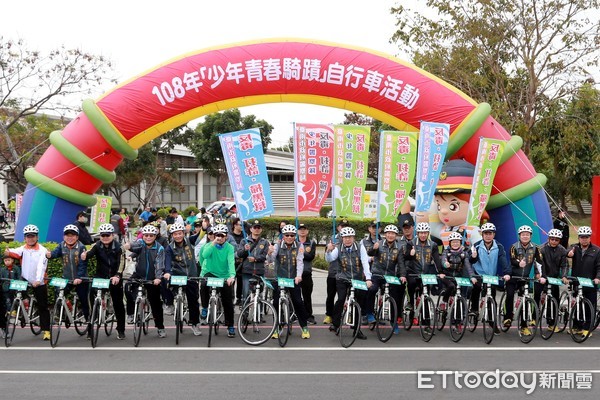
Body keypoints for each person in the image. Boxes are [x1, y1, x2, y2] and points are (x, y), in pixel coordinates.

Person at [4, 224, 51, 340]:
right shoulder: (23, 249)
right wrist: (7, 251)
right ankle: (19, 308)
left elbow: (41, 267)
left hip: (39, 281)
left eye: (33, 236)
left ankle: (46, 330)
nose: (30, 238)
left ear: (37, 237)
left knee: (43, 306)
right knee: (12, 290)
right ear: (25, 238)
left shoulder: (42, 250)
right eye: (28, 236)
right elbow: (14, 252)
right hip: (25, 279)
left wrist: (38, 280)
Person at [325, 226, 372, 340]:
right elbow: (330, 259)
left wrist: (368, 278)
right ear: (342, 238)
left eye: (350, 237)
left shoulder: (360, 247)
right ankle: (336, 324)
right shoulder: (339, 248)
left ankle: (357, 329)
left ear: (353, 237)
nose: (347, 239)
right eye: (345, 237)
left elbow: (365, 263)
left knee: (358, 304)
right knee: (341, 300)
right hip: (342, 278)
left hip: (357, 279)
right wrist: (328, 250)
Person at [81, 223, 127, 340]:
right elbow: (90, 253)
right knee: (91, 295)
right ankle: (91, 328)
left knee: (118, 303)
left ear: (112, 235)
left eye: (107, 235)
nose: (105, 237)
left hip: (114, 277)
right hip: (100, 276)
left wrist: (117, 275)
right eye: (103, 235)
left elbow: (122, 263)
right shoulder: (97, 245)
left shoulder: (118, 247)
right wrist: (85, 254)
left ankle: (121, 329)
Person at [124, 224, 169, 338]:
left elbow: (160, 265)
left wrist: (158, 278)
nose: (148, 237)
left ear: (155, 236)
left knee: (155, 303)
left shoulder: (160, 248)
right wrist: (129, 246)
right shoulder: (141, 243)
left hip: (153, 278)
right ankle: (130, 313)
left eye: (151, 235)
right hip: (139, 275)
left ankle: (160, 327)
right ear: (143, 236)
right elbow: (135, 246)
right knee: (127, 287)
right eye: (146, 235)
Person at [46, 224, 91, 337]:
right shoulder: (61, 245)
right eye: (67, 235)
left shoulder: (81, 247)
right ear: (64, 236)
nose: (69, 237)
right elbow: (55, 254)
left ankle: (90, 328)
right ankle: (66, 313)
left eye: (72, 235)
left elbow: (82, 265)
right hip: (67, 279)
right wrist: (49, 255)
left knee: (85, 302)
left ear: (77, 237)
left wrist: (79, 277)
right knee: (59, 293)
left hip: (81, 280)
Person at [269, 224, 311, 339]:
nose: (289, 237)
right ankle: (277, 327)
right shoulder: (278, 245)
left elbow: (300, 262)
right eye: (287, 235)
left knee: (298, 302)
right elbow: (271, 259)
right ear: (283, 236)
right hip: (279, 278)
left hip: (293, 279)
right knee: (276, 303)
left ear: (294, 236)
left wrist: (298, 276)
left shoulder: (299, 245)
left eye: (292, 235)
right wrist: (269, 253)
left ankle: (304, 327)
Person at [469, 223, 510, 330]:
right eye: (486, 233)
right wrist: (473, 257)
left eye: (490, 233)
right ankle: (474, 309)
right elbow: (470, 261)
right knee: (476, 288)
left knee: (492, 298)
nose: (488, 236)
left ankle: (493, 322)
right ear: (482, 234)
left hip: (491, 276)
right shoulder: (476, 245)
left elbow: (503, 260)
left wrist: (506, 273)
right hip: (479, 274)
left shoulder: (499, 246)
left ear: (494, 234)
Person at [366, 224, 406, 332]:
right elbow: (369, 253)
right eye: (388, 233)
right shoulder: (378, 244)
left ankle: (394, 321)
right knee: (372, 289)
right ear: (385, 235)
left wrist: (402, 275)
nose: (390, 236)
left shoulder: (399, 247)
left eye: (393, 234)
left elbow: (401, 263)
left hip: (390, 275)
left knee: (395, 296)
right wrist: (373, 249)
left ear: (396, 235)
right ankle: (369, 313)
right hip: (377, 274)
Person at [504, 225, 543, 335]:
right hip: (513, 276)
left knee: (525, 300)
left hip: (525, 278)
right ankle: (507, 317)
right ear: (519, 236)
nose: (525, 236)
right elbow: (512, 259)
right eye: (523, 234)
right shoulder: (514, 246)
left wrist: (540, 274)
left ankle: (524, 326)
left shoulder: (536, 248)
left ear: (530, 236)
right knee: (510, 294)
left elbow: (539, 262)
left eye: (527, 234)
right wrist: (518, 263)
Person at [199, 224, 237, 338]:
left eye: (221, 235)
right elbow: (204, 256)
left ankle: (230, 325)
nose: (219, 237)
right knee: (204, 284)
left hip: (224, 275)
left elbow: (231, 262)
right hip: (210, 272)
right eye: (217, 235)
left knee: (228, 302)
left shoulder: (230, 247)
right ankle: (205, 307)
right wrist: (213, 243)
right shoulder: (209, 245)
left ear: (226, 237)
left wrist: (232, 276)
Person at [165, 223, 202, 336]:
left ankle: (194, 323)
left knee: (193, 301)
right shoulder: (169, 247)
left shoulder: (190, 241)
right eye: (175, 234)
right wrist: (167, 272)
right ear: (172, 235)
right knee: (166, 285)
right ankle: (170, 304)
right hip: (177, 275)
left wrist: (204, 228)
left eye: (180, 233)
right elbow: (167, 262)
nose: (178, 236)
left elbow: (200, 235)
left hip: (191, 275)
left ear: (183, 233)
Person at [402, 222, 441, 321]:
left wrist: (440, 272)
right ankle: (410, 303)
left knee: (426, 294)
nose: (423, 235)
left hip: (426, 274)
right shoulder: (411, 243)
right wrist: (410, 254)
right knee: (411, 283)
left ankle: (426, 322)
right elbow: (405, 257)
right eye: (421, 233)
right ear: (417, 233)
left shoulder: (433, 245)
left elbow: (437, 260)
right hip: (413, 272)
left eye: (425, 233)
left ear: (428, 233)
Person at [565, 226, 600, 337]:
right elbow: (566, 252)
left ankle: (587, 328)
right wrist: (568, 253)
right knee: (578, 305)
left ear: (590, 238)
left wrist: (597, 278)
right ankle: (577, 326)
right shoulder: (574, 247)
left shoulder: (596, 250)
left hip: (590, 282)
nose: (584, 239)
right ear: (579, 238)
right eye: (582, 237)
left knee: (590, 307)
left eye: (586, 237)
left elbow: (599, 266)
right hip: (577, 282)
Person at [538, 228, 568, 332]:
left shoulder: (562, 250)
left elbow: (565, 265)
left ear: (559, 241)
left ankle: (551, 323)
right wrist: (542, 276)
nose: (554, 241)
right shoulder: (542, 249)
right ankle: (533, 318)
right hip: (543, 277)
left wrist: (564, 276)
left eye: (557, 240)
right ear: (549, 239)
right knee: (536, 297)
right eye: (552, 239)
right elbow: (539, 264)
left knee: (555, 301)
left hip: (554, 278)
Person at [439, 232, 478, 309]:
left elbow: (468, 266)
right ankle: (444, 301)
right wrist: (445, 264)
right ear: (450, 243)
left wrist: (472, 277)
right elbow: (443, 260)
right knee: (451, 286)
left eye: (457, 242)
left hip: (459, 277)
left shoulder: (464, 254)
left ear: (460, 242)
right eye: (453, 242)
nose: (455, 244)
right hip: (447, 276)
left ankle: (461, 316)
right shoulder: (446, 252)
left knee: (462, 294)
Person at [237, 220, 270, 302]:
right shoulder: (244, 241)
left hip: (259, 271)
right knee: (246, 293)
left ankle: (259, 312)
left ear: (261, 230)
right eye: (255, 227)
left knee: (260, 293)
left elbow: (264, 256)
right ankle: (245, 311)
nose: (257, 229)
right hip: (247, 271)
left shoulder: (265, 242)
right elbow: (239, 254)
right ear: (251, 229)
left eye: (259, 228)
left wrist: (255, 259)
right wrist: (245, 249)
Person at [323, 219, 348, 324]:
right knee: (330, 295)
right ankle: (329, 314)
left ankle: (344, 315)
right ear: (338, 228)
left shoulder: (350, 240)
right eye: (341, 226)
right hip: (333, 272)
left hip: (345, 274)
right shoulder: (333, 239)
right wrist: (329, 249)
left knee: (343, 297)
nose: (343, 228)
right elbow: (327, 256)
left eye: (346, 226)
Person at [297, 223, 317, 324]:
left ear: (307, 231)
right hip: (295, 274)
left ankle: (309, 315)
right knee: (295, 297)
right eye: (300, 229)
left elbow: (310, 257)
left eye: (304, 229)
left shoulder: (311, 242)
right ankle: (295, 315)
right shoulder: (293, 241)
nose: (302, 231)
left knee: (307, 296)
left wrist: (301, 251)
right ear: (297, 231)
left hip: (306, 273)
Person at [0, 254, 21, 338]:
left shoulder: (16, 268)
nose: (7, 262)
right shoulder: (3, 269)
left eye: (9, 260)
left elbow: (19, 276)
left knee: (3, 308)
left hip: (12, 288)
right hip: (5, 288)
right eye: (5, 260)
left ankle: (4, 328)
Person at [228, 217, 245, 305]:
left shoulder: (244, 235)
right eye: (240, 224)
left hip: (242, 261)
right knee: (231, 280)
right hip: (232, 261)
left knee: (241, 280)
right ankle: (231, 297)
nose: (242, 226)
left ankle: (239, 298)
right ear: (235, 225)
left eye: (242, 225)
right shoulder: (230, 236)